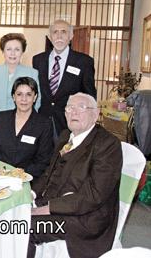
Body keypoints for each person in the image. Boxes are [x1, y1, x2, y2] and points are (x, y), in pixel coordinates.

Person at [27, 93, 122, 258]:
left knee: (23, 228)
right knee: (9, 212)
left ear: (96, 114)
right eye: (70, 108)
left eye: (82, 107)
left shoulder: (108, 145)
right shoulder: (65, 136)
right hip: (54, 203)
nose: (74, 112)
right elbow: (49, 172)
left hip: (84, 219)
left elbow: (94, 196)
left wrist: (44, 209)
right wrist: (31, 194)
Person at [32, 19, 96, 137]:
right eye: (55, 32)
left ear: (71, 36)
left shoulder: (84, 62)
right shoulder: (38, 60)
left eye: (64, 32)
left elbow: (90, 95)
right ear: (50, 37)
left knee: (67, 155)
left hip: (69, 123)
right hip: (41, 120)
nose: (59, 36)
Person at [0, 77, 52, 178]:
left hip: (27, 179)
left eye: (29, 94)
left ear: (35, 97)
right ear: (13, 97)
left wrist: (18, 174)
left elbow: (43, 161)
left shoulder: (44, 124)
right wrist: (3, 172)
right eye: (19, 94)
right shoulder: (1, 118)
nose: (24, 99)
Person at [0, 33, 40, 135]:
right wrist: (2, 118)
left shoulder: (32, 73)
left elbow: (37, 100)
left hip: (22, 125)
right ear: (3, 51)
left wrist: (19, 118)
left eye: (17, 49)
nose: (12, 53)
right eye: (8, 49)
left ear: (22, 52)